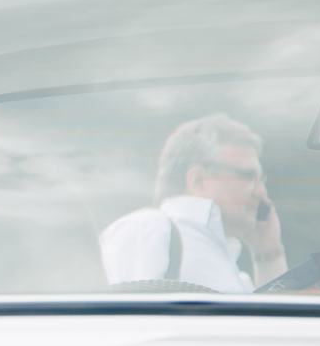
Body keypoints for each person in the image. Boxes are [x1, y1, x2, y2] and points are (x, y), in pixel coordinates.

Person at [101, 113, 287, 292]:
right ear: (198, 180)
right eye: (249, 177)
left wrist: (268, 254)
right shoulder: (148, 228)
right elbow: (129, 313)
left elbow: (275, 316)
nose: (262, 193)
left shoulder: (239, 278)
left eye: (261, 181)